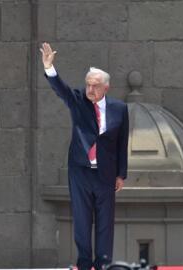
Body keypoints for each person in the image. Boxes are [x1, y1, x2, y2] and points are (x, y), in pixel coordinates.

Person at [40, 42, 129, 270]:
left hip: (106, 173)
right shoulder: (78, 100)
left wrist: (121, 174)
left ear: (106, 88)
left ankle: (102, 265)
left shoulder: (119, 109)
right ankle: (84, 264)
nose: (90, 89)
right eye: (88, 85)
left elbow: (121, 142)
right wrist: (50, 68)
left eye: (95, 86)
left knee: (105, 223)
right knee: (81, 220)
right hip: (80, 171)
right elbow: (62, 90)